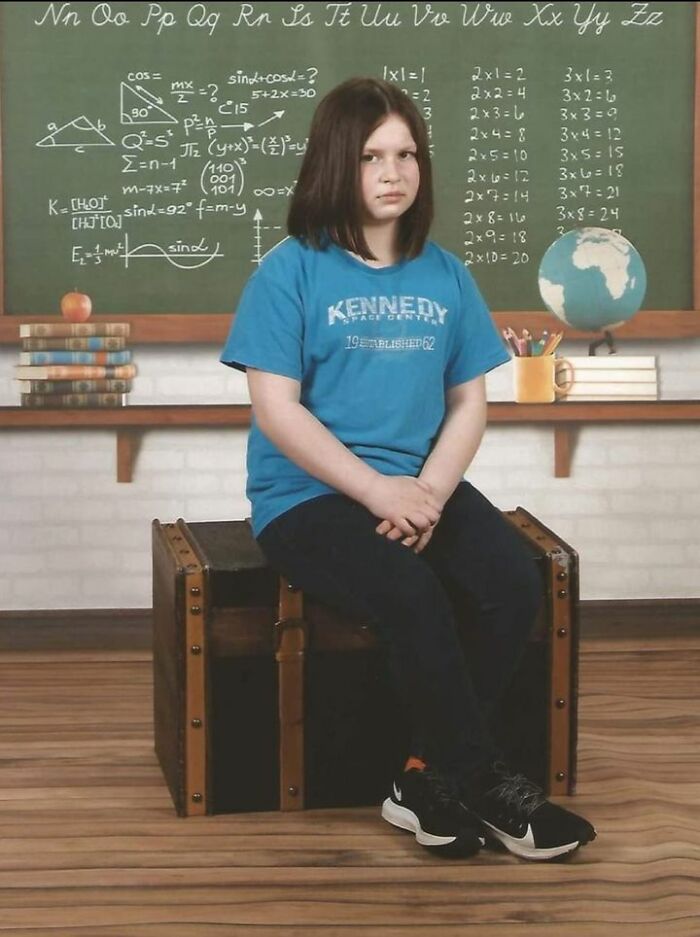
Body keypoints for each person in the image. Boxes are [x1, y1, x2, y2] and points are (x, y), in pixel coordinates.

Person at [220, 77, 595, 861]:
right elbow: (278, 410)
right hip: (309, 498)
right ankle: (485, 778)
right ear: (334, 164)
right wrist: (375, 489)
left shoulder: (446, 274)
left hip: (422, 485)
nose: (394, 171)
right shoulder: (289, 272)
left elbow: (469, 403)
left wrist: (428, 491)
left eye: (407, 154)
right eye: (371, 156)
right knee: (410, 590)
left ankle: (423, 779)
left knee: (511, 581)